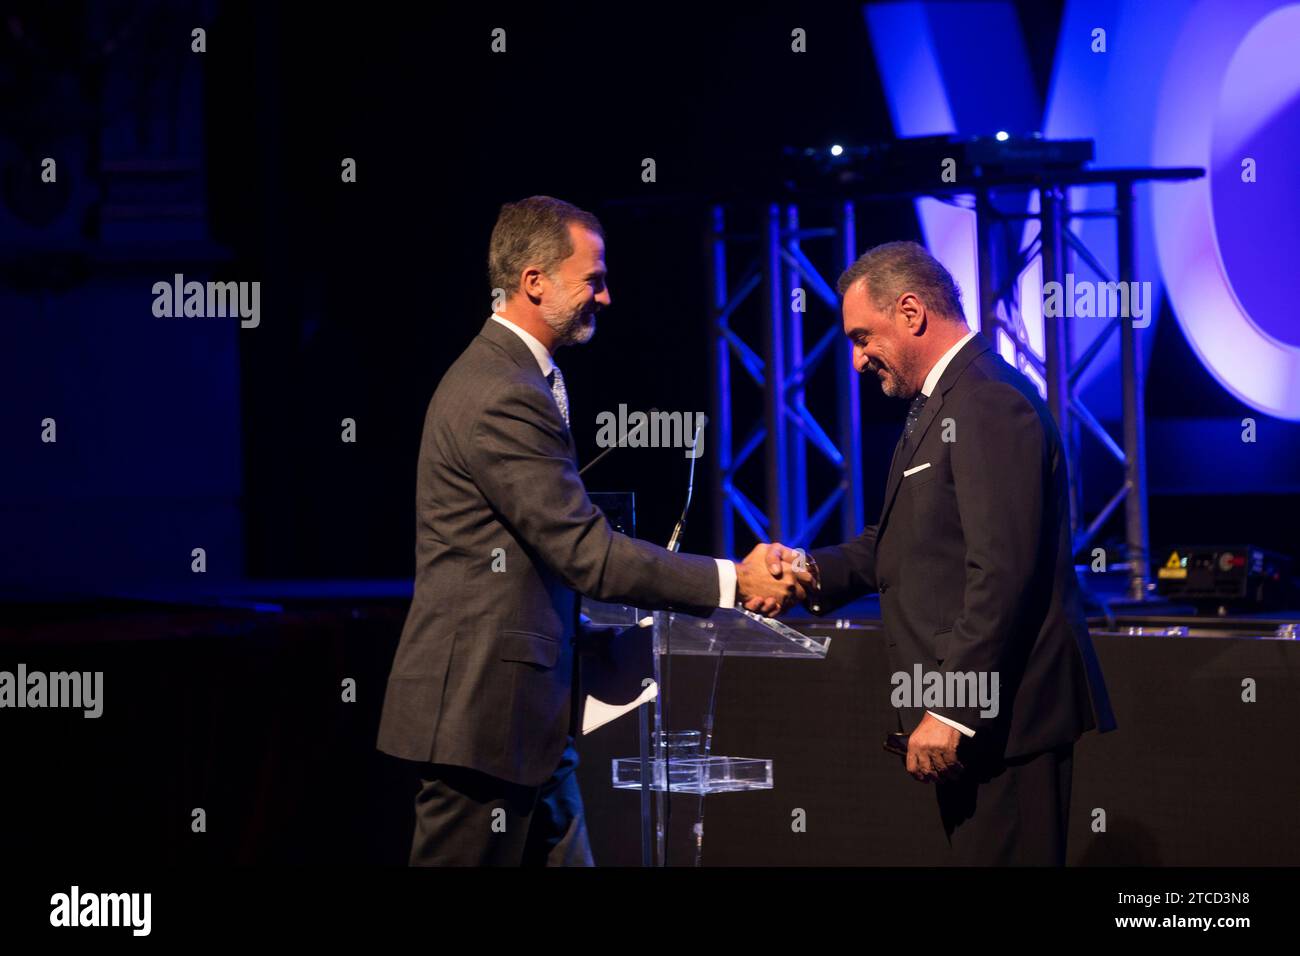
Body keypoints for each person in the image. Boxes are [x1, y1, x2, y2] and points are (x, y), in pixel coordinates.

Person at [376, 196, 807, 866]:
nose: (606, 297)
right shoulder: (500, 389)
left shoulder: (518, 376)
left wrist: (599, 642)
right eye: (594, 279)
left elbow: (533, 564)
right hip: (481, 717)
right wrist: (734, 579)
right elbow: (586, 553)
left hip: (528, 717)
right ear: (534, 281)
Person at [761, 241, 1116, 865]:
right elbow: (893, 544)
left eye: (863, 337)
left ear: (910, 311)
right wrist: (809, 570)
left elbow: (1003, 572)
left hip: (1006, 721)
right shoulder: (940, 402)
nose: (856, 360)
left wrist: (953, 708)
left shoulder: (985, 400)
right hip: (980, 724)